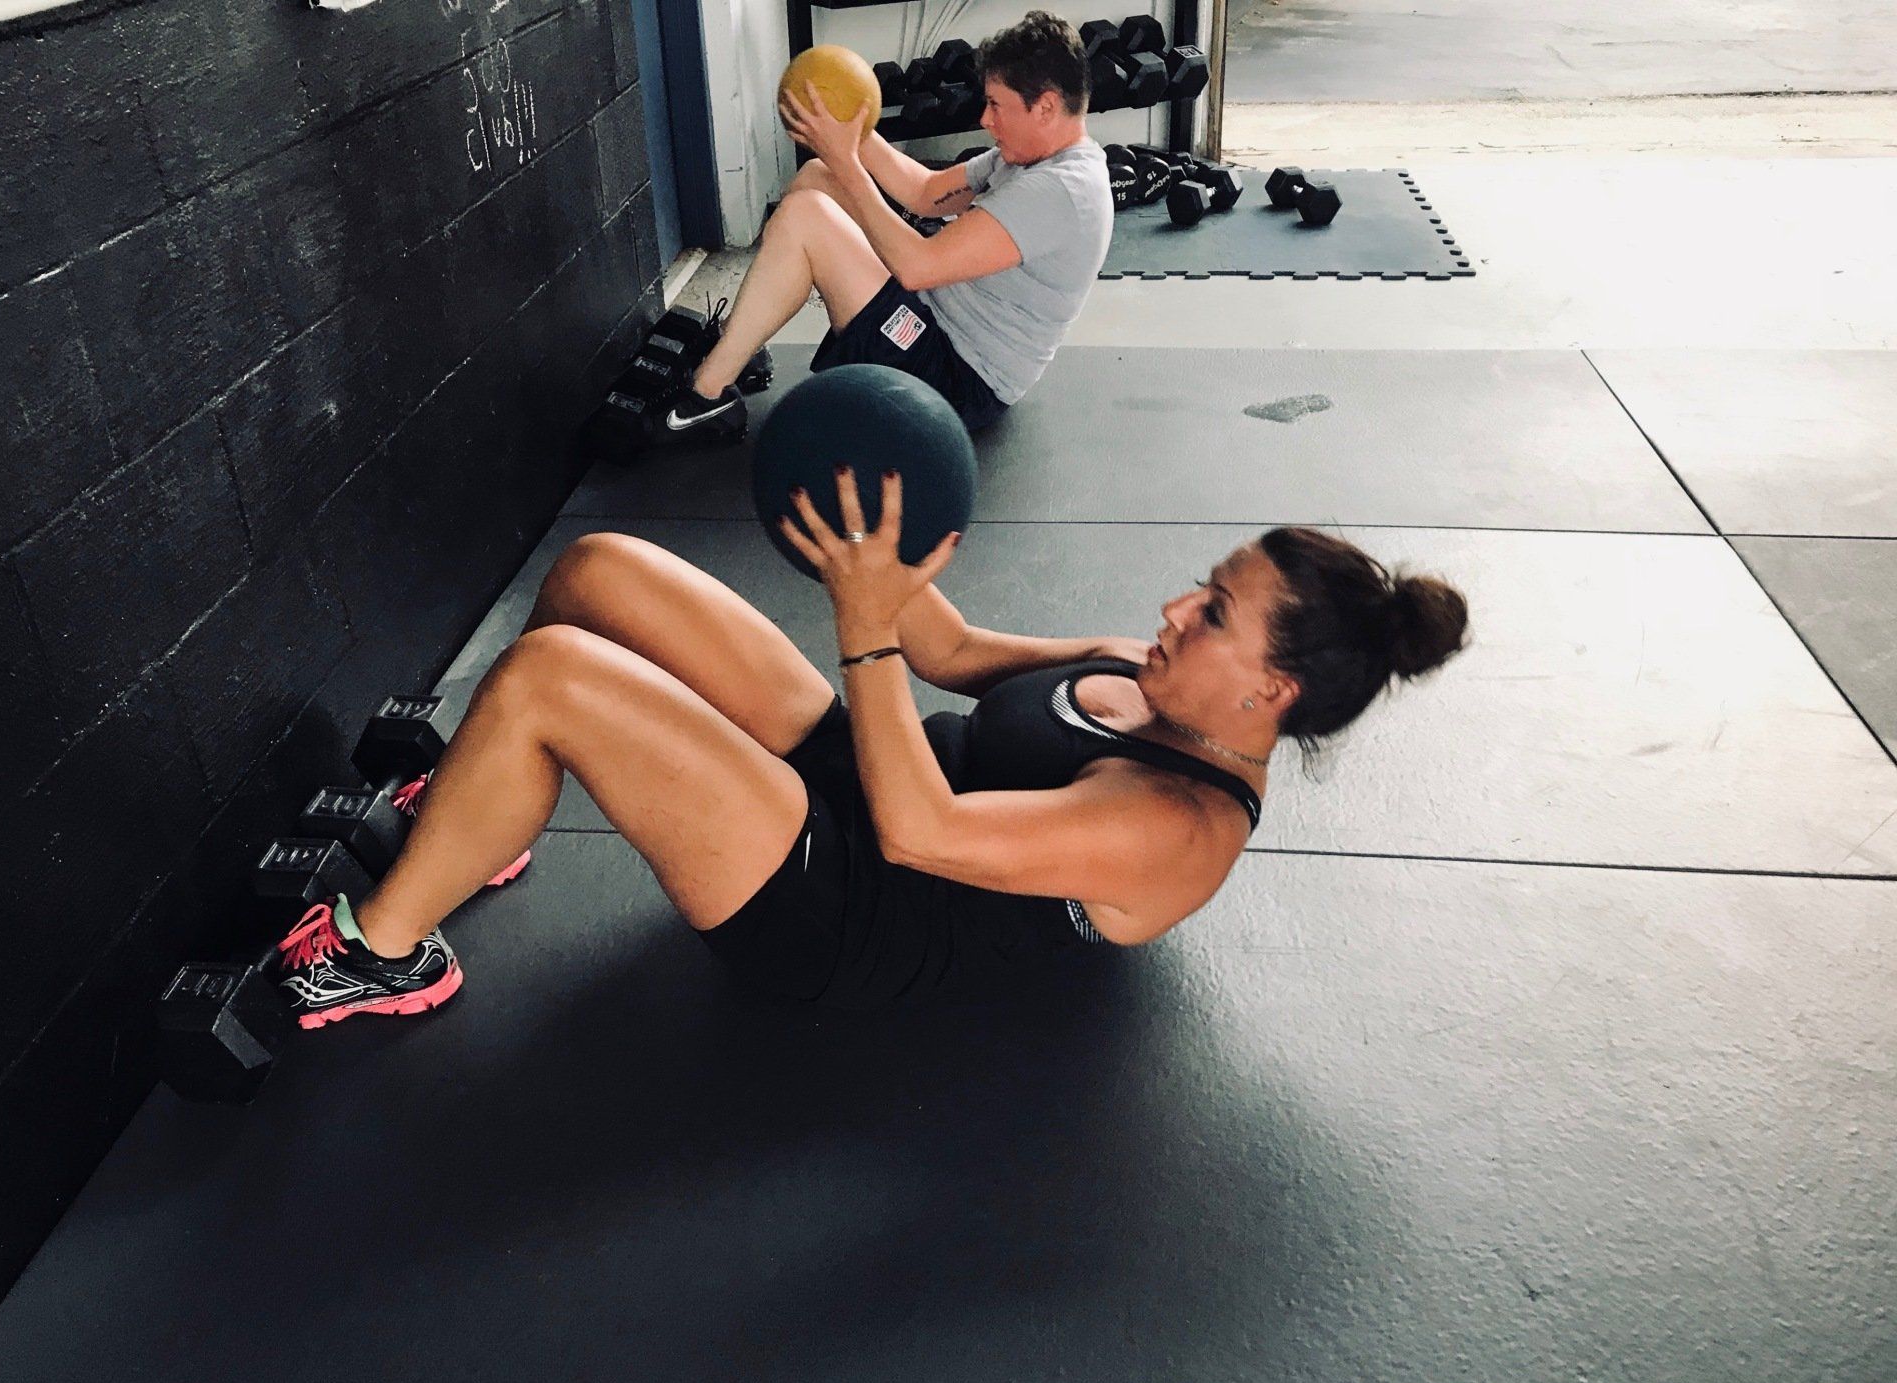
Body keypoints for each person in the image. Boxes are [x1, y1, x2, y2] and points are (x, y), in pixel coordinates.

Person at [272, 476, 1469, 1024]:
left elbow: (923, 832)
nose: (1174, 608)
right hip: (858, 773)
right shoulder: (1148, 672)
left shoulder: (1181, 825)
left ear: (1271, 687)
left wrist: (860, 632)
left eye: (1211, 612)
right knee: (602, 571)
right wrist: (867, 533)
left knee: (553, 678)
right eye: (1203, 583)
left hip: (848, 909)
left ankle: (383, 955)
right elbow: (946, 652)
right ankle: (478, 821)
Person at [661, 11, 1112, 440]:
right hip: (934, 315)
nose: (985, 119)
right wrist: (851, 124)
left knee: (806, 218)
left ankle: (703, 396)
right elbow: (926, 193)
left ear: (1047, 108)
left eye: (996, 105)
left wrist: (848, 160)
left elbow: (918, 266)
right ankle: (741, 344)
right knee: (820, 177)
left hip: (956, 378)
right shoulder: (1029, 158)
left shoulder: (1061, 192)